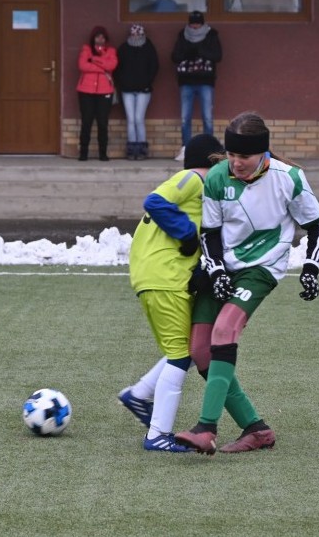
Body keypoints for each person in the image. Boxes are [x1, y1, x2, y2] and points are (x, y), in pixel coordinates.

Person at [175, 112, 319, 455]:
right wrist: (214, 271)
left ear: (262, 153)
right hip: (224, 269)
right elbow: (210, 232)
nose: (235, 162)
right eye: (231, 154)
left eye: (243, 156)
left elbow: (318, 225)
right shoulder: (217, 177)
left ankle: (206, 428)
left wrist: (310, 268)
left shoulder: (289, 178)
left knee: (224, 331)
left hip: (261, 270)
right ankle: (256, 430)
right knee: (200, 351)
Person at [118, 134, 225, 452]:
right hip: (165, 278)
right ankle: (157, 435)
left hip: (161, 277)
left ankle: (139, 395)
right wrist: (187, 236)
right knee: (181, 356)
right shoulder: (192, 178)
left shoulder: (200, 187)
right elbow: (155, 201)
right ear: (208, 163)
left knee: (187, 349)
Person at [171, 11, 222, 161]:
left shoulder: (211, 35)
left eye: (197, 24)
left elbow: (217, 56)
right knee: (185, 118)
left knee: (207, 117)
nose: (194, 27)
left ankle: (210, 151)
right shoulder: (183, 35)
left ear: (202, 23)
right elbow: (175, 56)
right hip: (186, 81)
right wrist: (189, 52)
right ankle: (185, 149)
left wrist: (200, 51)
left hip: (205, 81)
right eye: (192, 23)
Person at [114, 23, 159, 160]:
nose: (136, 36)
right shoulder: (123, 48)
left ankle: (142, 149)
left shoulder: (148, 48)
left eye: (138, 34)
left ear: (143, 34)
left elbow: (154, 66)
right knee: (131, 119)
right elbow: (117, 68)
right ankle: (131, 149)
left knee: (139, 119)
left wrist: (147, 82)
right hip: (127, 90)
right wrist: (122, 82)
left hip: (143, 90)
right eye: (134, 34)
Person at [76, 25, 118, 161]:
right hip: (86, 91)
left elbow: (111, 66)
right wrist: (102, 67)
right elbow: (83, 66)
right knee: (86, 122)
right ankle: (83, 153)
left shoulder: (111, 51)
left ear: (105, 38)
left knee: (102, 123)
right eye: (97, 36)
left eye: (102, 37)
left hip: (104, 91)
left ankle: (103, 153)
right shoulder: (86, 49)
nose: (100, 39)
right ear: (93, 38)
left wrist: (93, 60)